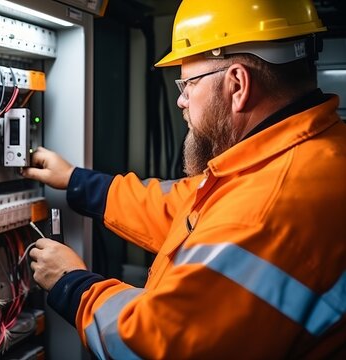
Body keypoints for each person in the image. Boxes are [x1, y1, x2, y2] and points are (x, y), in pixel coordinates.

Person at [22, 0, 346, 358]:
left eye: (188, 83)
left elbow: (156, 345)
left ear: (237, 84)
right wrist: (75, 180)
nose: (181, 100)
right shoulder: (311, 154)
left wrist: (72, 283)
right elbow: (181, 207)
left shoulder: (265, 211)